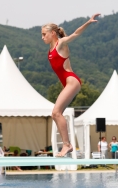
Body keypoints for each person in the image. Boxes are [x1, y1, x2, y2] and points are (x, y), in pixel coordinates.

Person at [41, 13, 100, 157]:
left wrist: (88, 22)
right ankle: (67, 145)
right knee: (55, 114)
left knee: (56, 113)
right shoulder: (50, 50)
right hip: (67, 83)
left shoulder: (60, 43)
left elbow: (75, 34)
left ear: (53, 33)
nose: (42, 37)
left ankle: (67, 145)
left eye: (44, 34)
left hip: (71, 80)